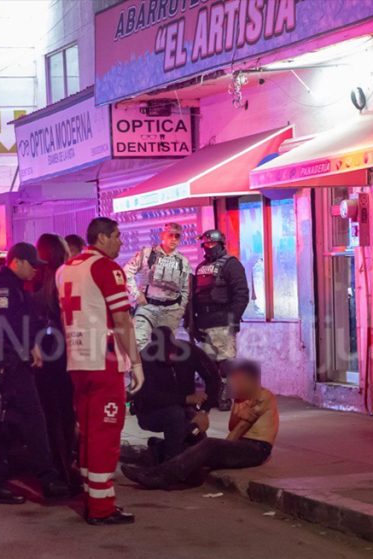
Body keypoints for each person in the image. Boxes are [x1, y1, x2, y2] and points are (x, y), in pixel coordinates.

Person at [56, 217, 144, 525]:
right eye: (117, 236)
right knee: (105, 434)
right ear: (102, 237)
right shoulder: (107, 268)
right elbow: (121, 321)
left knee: (88, 432)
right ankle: (101, 507)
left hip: (76, 360)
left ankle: (92, 496)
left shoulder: (65, 269)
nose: (121, 242)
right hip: (103, 361)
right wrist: (136, 363)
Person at [0, 242, 71, 504]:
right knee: (33, 419)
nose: (35, 270)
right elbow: (6, 325)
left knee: (6, 425)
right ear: (16, 261)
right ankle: (47, 479)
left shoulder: (15, 286)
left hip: (12, 360)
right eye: (32, 265)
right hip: (11, 362)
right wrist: (29, 348)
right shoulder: (4, 286)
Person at [122, 360, 277, 489]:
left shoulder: (263, 397)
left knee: (210, 445)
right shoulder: (241, 398)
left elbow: (240, 428)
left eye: (239, 381)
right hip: (241, 444)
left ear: (252, 381)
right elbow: (233, 426)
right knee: (190, 440)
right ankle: (150, 466)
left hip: (257, 449)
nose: (234, 384)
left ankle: (164, 477)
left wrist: (220, 448)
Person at [131, 325, 221, 463]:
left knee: (196, 441)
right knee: (175, 414)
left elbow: (213, 378)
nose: (169, 358)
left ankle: (159, 448)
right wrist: (185, 399)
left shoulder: (188, 351)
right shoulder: (145, 359)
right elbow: (149, 397)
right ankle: (172, 463)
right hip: (151, 413)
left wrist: (204, 411)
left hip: (185, 410)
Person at [31, 233, 77, 487]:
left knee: (50, 415)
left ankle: (57, 469)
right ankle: (66, 467)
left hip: (43, 356)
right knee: (65, 413)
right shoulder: (65, 278)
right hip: (65, 353)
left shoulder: (34, 281)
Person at [190, 229, 249, 409]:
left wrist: (232, 318)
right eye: (206, 244)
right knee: (209, 363)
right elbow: (195, 297)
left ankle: (225, 394)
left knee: (225, 360)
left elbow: (241, 294)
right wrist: (193, 323)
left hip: (223, 321)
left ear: (221, 244)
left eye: (212, 244)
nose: (209, 247)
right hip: (204, 322)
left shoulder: (232, 265)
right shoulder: (201, 267)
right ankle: (214, 393)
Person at [122, 222, 191, 350]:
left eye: (177, 236)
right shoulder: (147, 254)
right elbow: (126, 273)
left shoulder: (183, 261)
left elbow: (185, 289)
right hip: (148, 307)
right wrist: (136, 294)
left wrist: (180, 310)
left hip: (171, 311)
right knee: (137, 342)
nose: (174, 239)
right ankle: (140, 364)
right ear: (162, 235)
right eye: (170, 235)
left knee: (166, 349)